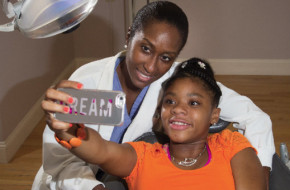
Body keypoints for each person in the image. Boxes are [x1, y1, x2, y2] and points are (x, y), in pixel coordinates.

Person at [32, 1, 274, 189]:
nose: (151, 66)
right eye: (145, 49)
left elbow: (254, 117)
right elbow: (61, 162)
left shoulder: (178, 83)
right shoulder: (86, 80)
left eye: (166, 57)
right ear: (129, 37)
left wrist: (259, 172)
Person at [47, 57, 267, 190]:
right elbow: (102, 151)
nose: (178, 109)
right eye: (170, 101)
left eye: (193, 102)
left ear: (214, 115)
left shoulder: (231, 145)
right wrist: (68, 128)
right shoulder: (142, 156)